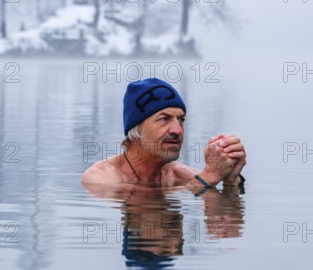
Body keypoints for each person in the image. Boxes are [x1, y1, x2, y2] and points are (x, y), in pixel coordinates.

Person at [82, 78, 246, 194]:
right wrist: (209, 177)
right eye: (164, 119)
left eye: (181, 120)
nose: (178, 130)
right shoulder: (101, 177)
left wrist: (231, 179)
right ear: (136, 130)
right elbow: (139, 208)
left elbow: (223, 217)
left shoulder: (180, 175)